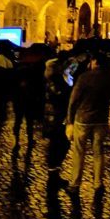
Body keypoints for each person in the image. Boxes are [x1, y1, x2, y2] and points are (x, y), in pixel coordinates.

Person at [66, 54, 110, 194]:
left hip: (83, 119)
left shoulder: (84, 78)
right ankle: (98, 184)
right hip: (101, 119)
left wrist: (69, 121)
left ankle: (75, 184)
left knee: (79, 152)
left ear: (94, 62)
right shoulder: (108, 79)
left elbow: (73, 100)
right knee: (99, 152)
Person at [45, 57, 73, 187]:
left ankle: (54, 174)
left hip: (53, 119)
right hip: (57, 119)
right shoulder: (55, 81)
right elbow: (62, 96)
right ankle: (53, 176)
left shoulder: (50, 80)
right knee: (60, 145)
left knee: (58, 145)